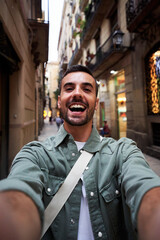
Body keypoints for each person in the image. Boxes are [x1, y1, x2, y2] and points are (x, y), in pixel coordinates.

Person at [0, 65, 160, 240]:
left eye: (86, 89)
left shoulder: (123, 151)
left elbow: (144, 186)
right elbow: (19, 189)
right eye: (69, 88)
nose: (77, 93)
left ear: (96, 103)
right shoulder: (35, 154)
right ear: (59, 101)